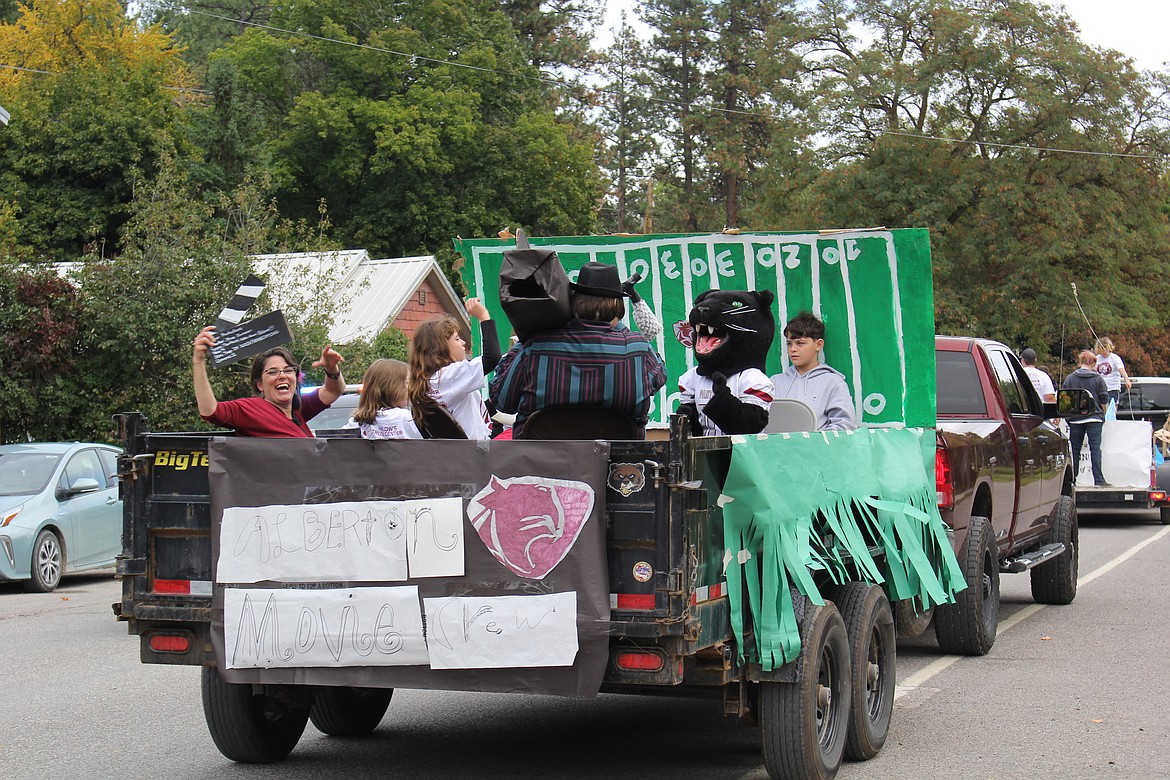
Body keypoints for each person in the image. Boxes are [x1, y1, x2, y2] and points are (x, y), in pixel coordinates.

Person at [490, 261, 668, 439]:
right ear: (616, 303)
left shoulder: (534, 347)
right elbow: (660, 375)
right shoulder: (638, 349)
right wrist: (617, 325)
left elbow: (503, 400)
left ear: (572, 302)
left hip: (539, 464)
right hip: (616, 464)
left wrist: (525, 336)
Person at [193, 327, 345, 437]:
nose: (282, 376)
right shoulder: (251, 410)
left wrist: (332, 368)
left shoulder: (298, 408)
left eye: (288, 370)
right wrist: (198, 361)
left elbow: (333, 391)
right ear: (259, 384)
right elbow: (210, 411)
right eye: (272, 372)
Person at [407, 298, 501, 440]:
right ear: (440, 347)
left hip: (458, 454)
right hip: (474, 454)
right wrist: (484, 317)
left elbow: (468, 415)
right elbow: (492, 358)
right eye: (457, 339)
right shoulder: (449, 375)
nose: (463, 343)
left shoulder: (432, 381)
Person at [769, 311, 856, 431]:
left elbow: (844, 425)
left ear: (818, 345)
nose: (793, 349)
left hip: (818, 449)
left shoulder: (833, 383)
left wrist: (812, 442)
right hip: (778, 448)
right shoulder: (774, 382)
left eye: (800, 343)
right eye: (789, 344)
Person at [1062, 349, 1110, 486]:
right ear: (1093, 363)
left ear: (1081, 362)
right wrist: (1102, 414)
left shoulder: (1070, 378)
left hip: (1076, 419)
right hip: (1094, 418)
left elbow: (1065, 399)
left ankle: (1073, 480)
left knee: (1075, 449)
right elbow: (1103, 399)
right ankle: (1099, 480)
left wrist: (1069, 417)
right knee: (1095, 449)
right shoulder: (1098, 379)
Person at [342, 358, 421, 440]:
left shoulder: (358, 421)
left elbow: (337, 442)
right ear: (392, 387)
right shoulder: (407, 418)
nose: (411, 388)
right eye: (408, 383)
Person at [1094, 337, 1131, 404]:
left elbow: (1121, 370)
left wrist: (1126, 379)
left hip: (1112, 388)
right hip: (1100, 389)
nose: (1104, 352)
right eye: (1102, 349)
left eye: (1106, 349)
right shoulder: (1096, 359)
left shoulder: (1115, 358)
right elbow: (1092, 371)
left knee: (1111, 408)